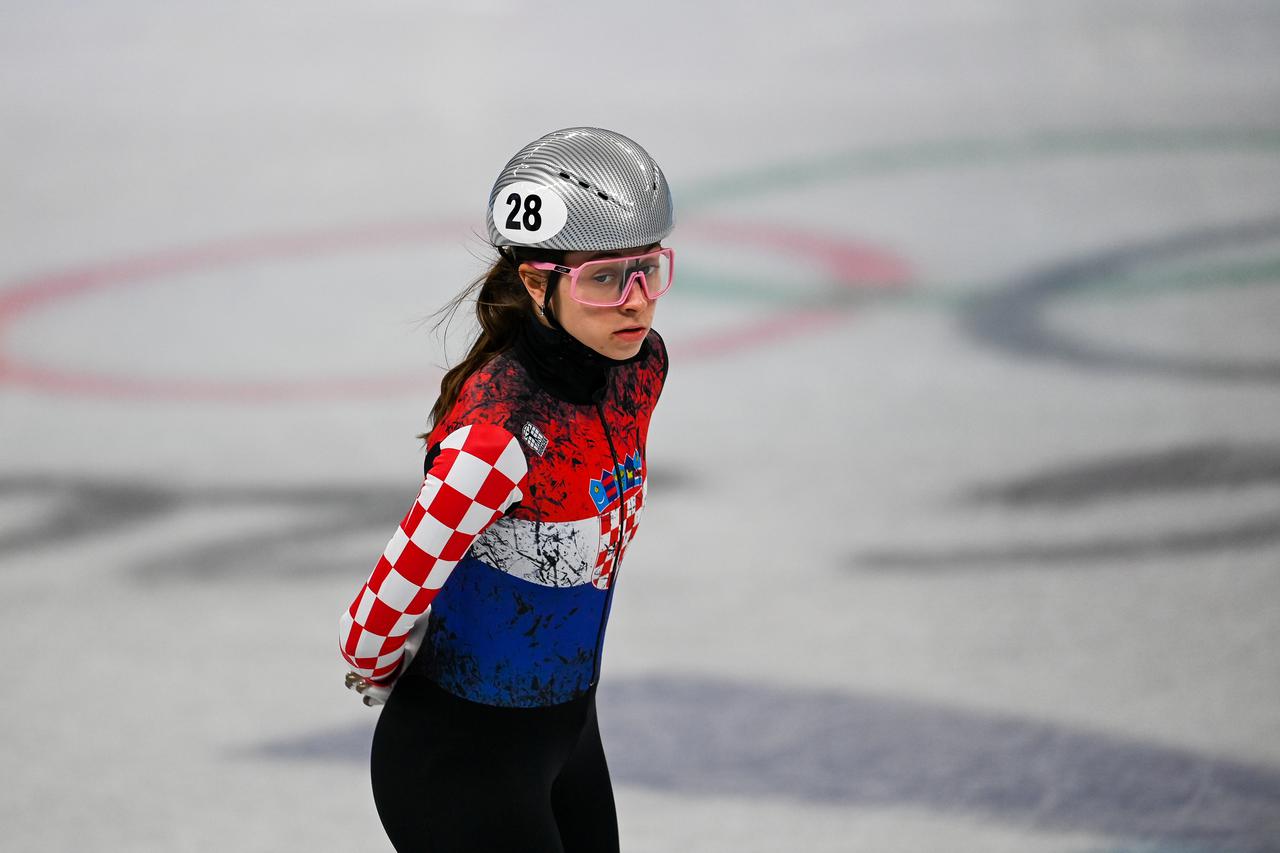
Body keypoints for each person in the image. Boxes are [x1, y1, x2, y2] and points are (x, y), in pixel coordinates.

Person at [338, 126, 674, 853]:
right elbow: (371, 618)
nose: (637, 303)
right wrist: (397, 667)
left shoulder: (638, 370)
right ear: (535, 280)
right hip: (457, 760)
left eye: (649, 269)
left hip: (570, 735)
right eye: (605, 278)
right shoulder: (498, 438)